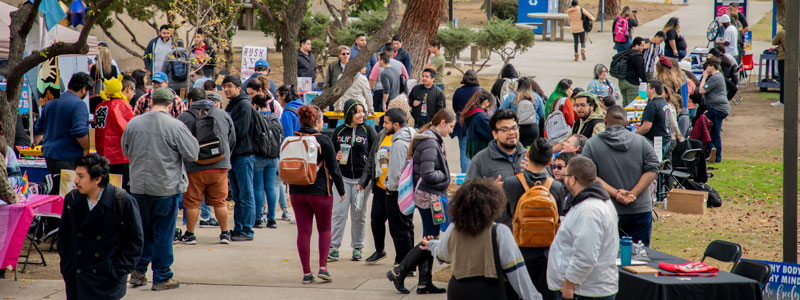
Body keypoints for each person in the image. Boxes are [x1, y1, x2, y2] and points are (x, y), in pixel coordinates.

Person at [123, 87, 199, 291]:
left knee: (143, 232)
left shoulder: (134, 123)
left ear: (151, 101)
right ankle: (162, 275)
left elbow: (125, 150)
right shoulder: (175, 125)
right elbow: (192, 153)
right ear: (171, 104)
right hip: (166, 186)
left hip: (138, 186)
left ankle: (138, 272)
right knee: (163, 233)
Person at [422, 178, 543, 300]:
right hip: (489, 291)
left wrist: (431, 244)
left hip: (458, 291)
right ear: (493, 205)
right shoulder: (499, 232)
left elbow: (441, 255)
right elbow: (516, 271)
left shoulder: (454, 229)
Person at [386, 110, 454, 295]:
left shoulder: (428, 138)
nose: (451, 130)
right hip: (428, 197)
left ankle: (424, 282)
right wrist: (446, 177)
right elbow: (428, 173)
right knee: (430, 239)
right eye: (450, 126)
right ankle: (399, 272)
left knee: (429, 237)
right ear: (442, 122)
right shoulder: (431, 143)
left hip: (426, 195)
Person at [57, 154, 144, 300]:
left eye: (81, 176)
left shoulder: (122, 201)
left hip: (107, 282)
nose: (76, 181)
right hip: (77, 279)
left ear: (97, 179)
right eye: (75, 175)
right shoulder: (72, 200)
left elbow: (135, 242)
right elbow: (63, 237)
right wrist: (68, 267)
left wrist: (117, 270)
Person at [582, 105, 658, 247]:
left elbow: (589, 176)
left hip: (607, 208)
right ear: (626, 123)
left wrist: (616, 194)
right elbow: (653, 169)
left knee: (608, 257)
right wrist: (633, 194)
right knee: (639, 258)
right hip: (639, 208)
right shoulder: (642, 142)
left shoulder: (592, 144)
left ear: (605, 121)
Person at [499, 138, 565, 300]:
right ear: (550, 161)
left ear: (527, 154)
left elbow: (506, 214)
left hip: (518, 251)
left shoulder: (511, 183)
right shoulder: (556, 186)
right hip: (546, 253)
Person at [547, 157, 619, 300]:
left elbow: (585, 255)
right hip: (587, 289)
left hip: (584, 292)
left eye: (565, 175)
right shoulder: (593, 203)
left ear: (572, 180)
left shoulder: (589, 210)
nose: (564, 179)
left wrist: (569, 284)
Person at [289, 105, 346, 283]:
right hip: (320, 191)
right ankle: (323, 267)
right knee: (325, 229)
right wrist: (341, 190)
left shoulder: (293, 138)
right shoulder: (324, 140)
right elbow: (334, 169)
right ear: (318, 122)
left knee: (303, 231)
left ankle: (306, 273)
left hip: (296, 191)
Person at [175, 88, 234, 244]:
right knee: (220, 202)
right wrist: (225, 158)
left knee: (192, 202)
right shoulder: (222, 114)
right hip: (220, 166)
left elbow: (178, 143)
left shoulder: (184, 117)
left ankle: (190, 235)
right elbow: (232, 139)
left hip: (195, 166)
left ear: (191, 101)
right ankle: (225, 234)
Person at [358, 108, 415, 265]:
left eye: (386, 122)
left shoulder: (404, 140)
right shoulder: (383, 135)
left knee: (400, 227)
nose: (383, 125)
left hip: (397, 189)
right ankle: (380, 250)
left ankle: (404, 260)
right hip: (381, 186)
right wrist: (364, 181)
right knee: (376, 219)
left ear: (396, 124)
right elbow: (372, 157)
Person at [329, 99, 377, 261]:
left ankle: (357, 247)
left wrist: (366, 180)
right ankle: (334, 247)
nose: (361, 115)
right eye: (357, 112)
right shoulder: (339, 131)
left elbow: (374, 155)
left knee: (358, 215)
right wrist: (336, 157)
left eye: (362, 111)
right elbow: (332, 154)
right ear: (349, 113)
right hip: (342, 179)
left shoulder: (368, 130)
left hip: (361, 181)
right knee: (339, 213)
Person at [34, 72, 91, 178]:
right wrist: (86, 149)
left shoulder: (51, 102)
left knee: (56, 189)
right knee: (68, 191)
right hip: (68, 156)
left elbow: (39, 127)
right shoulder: (79, 104)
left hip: (49, 155)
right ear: (83, 89)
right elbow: (80, 131)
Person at [221, 75, 257, 241]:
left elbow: (239, 131)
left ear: (238, 87)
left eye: (229, 86)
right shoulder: (232, 104)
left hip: (243, 156)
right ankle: (238, 228)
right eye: (224, 86)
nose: (226, 89)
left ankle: (247, 230)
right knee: (237, 195)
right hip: (234, 156)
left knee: (246, 194)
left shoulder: (243, 104)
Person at [94, 75, 135, 191]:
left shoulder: (100, 106)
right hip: (119, 156)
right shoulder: (120, 105)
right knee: (122, 192)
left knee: (106, 190)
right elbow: (129, 129)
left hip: (102, 155)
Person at [465, 109, 527, 182]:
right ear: (495, 134)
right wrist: (491, 189)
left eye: (514, 128)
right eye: (505, 129)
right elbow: (468, 190)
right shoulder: (480, 160)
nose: (511, 132)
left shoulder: (529, 156)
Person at [251, 94, 283, 229]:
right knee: (270, 188)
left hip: (259, 156)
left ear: (256, 105)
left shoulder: (256, 119)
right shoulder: (276, 119)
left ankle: (258, 218)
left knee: (258, 187)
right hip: (274, 157)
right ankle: (272, 219)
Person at [699, 57, 730, 163]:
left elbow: (702, 90)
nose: (706, 68)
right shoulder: (718, 76)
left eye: (708, 66)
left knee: (706, 130)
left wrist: (704, 77)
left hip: (716, 108)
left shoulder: (715, 77)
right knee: (715, 132)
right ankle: (716, 155)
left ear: (712, 66)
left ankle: (713, 151)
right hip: (719, 108)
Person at [501, 77, 545, 145]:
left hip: (517, 128)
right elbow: (542, 114)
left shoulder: (511, 96)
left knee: (517, 149)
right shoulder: (536, 97)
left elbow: (500, 111)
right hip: (533, 128)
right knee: (531, 150)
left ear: (518, 85)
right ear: (530, 86)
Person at [452, 71, 481, 172]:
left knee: (464, 151)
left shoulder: (458, 91)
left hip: (462, 124)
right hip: (477, 124)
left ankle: (465, 175)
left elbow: (454, 107)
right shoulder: (480, 91)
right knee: (477, 151)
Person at [635, 79, 672, 157]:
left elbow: (646, 127)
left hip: (656, 143)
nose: (646, 90)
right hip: (666, 139)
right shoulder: (664, 103)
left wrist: (634, 134)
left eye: (647, 88)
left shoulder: (652, 105)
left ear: (653, 90)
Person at [461, 90, 495, 159]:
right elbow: (492, 134)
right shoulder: (481, 116)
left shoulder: (472, 112)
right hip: (480, 150)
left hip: (474, 150)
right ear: (486, 102)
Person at [619, 37, 648, 106]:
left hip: (622, 81)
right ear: (636, 46)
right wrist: (646, 82)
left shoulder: (626, 53)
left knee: (625, 103)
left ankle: (623, 116)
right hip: (631, 83)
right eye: (642, 45)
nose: (643, 48)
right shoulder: (637, 56)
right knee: (631, 105)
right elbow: (641, 72)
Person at [772, 28, 785, 107]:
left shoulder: (781, 32)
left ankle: (782, 100)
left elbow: (774, 42)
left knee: (782, 79)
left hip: (782, 57)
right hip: (792, 59)